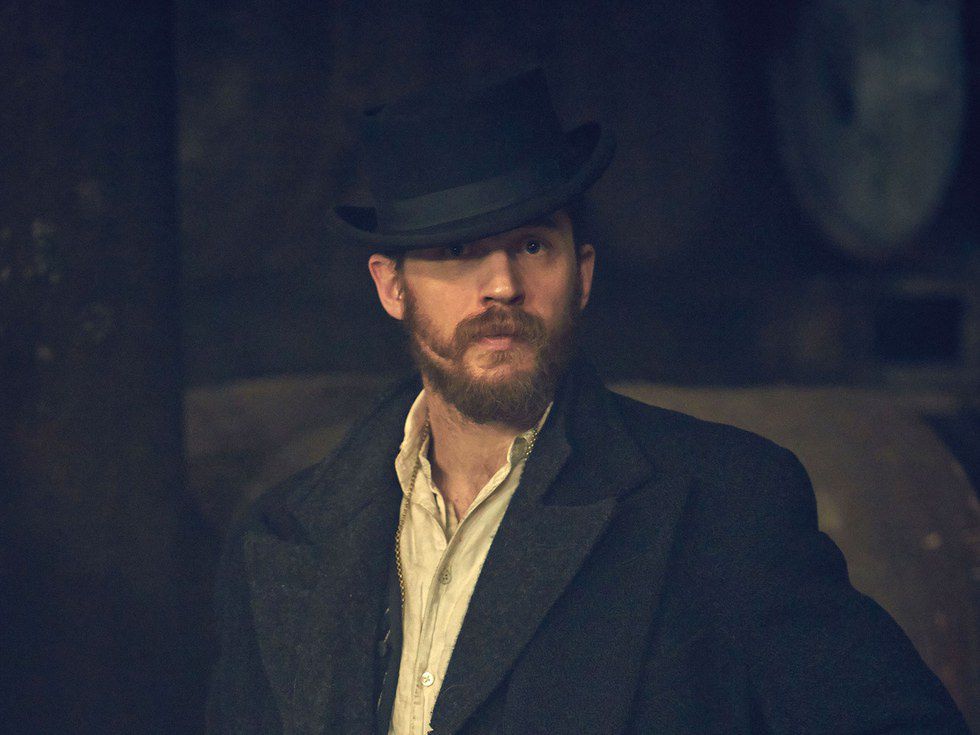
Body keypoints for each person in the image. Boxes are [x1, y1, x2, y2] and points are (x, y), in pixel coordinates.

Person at [207, 67, 969, 735]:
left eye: (532, 244)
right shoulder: (284, 539)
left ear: (583, 273)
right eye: (457, 250)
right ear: (391, 286)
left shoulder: (723, 506)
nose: (502, 284)